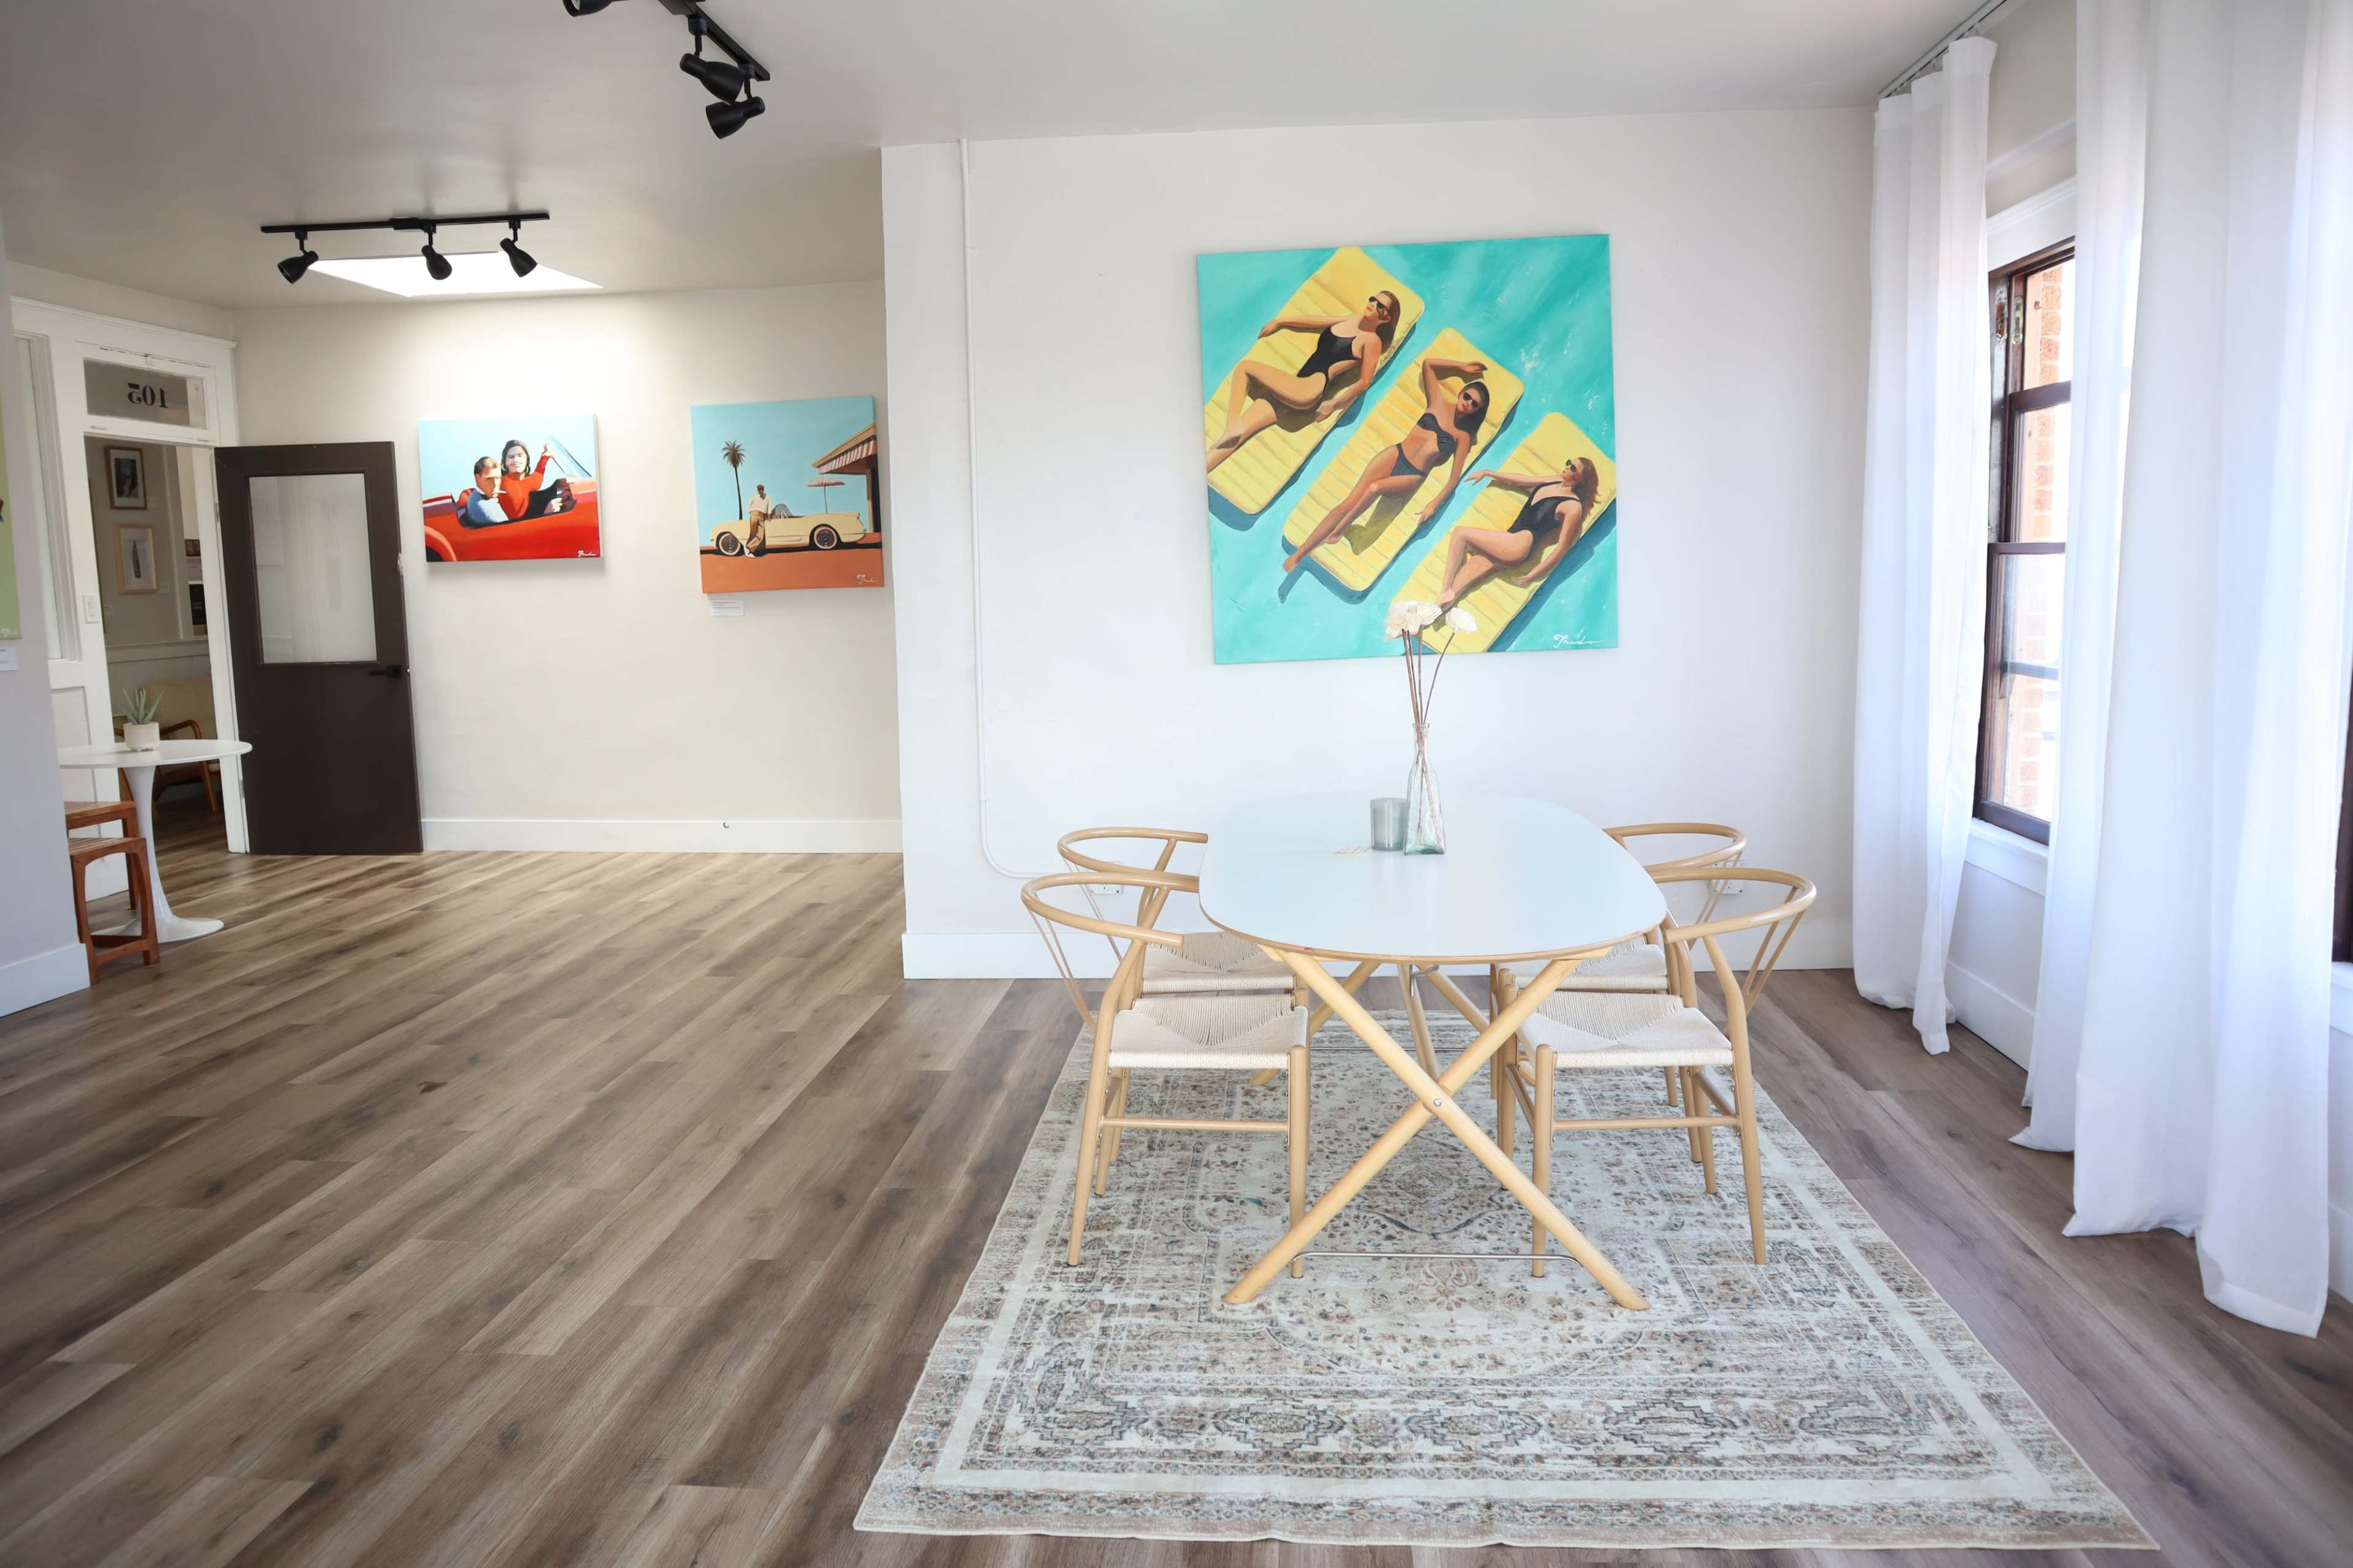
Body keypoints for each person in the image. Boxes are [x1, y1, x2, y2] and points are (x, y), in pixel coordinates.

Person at [1281, 356, 1490, 574]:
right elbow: (1428, 364)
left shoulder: (1463, 437)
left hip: (1414, 474)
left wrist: (1433, 504)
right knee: (1347, 503)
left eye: (1475, 405)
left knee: (1375, 488)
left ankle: (1339, 532)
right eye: (1468, 396)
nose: (1469, 404)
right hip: (1396, 453)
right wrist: (1461, 366)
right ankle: (1300, 553)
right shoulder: (1437, 402)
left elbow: (1454, 479)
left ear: (1477, 411)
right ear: (1462, 392)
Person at [1207, 290, 1400, 475]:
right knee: (1237, 437)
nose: (1373, 305)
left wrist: (1334, 404)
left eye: (1380, 305)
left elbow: (1365, 381)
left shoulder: (1372, 341)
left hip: (1310, 389)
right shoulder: (1352, 319)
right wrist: (1281, 321)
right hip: (1295, 386)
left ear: (1387, 318)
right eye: (1373, 299)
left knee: (1245, 367)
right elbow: (1316, 322)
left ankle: (1231, 424)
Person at [1431, 455, 1601, 617]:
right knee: (1458, 587)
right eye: (1568, 462)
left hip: (1520, 544)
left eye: (1573, 468)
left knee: (1460, 533)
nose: (1567, 467)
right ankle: (1423, 622)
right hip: (1508, 542)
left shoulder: (1573, 506)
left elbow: (1563, 547)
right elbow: (1522, 479)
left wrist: (1533, 575)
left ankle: (1444, 589)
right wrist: (1489, 473)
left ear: (1580, 479)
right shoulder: (1555, 481)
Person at [497, 439, 574, 519]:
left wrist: (545, 458)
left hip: (528, 518)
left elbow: (537, 476)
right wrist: (546, 515)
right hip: (517, 527)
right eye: (511, 457)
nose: (516, 460)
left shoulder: (527, 481)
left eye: (520, 456)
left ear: (527, 459)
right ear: (505, 462)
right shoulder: (500, 482)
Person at [456, 458, 509, 528]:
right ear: (477, 478)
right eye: (489, 479)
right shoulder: (483, 506)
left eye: (498, 478)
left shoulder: (476, 495)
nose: (495, 484)